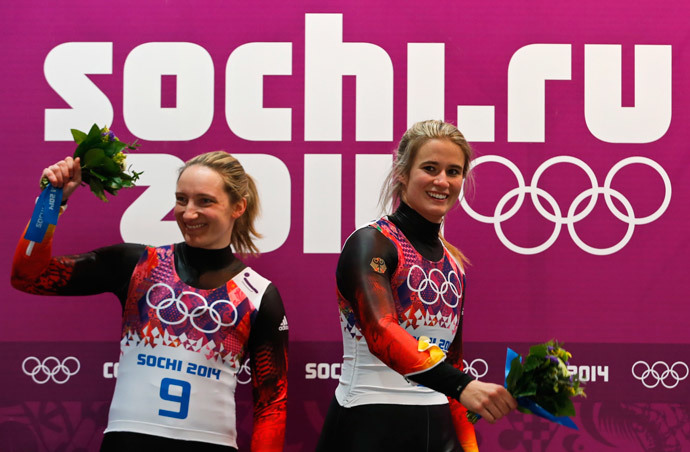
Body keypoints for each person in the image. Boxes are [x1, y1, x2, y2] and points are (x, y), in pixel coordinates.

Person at [11, 151, 288, 452]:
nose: (189, 213)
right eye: (182, 199)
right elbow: (28, 276)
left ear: (238, 206)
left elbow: (271, 407)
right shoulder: (138, 265)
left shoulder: (258, 294)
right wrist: (51, 202)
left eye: (204, 201)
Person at [316, 120, 517, 452]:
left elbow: (452, 363)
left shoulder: (454, 265)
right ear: (402, 173)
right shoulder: (373, 244)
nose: (442, 181)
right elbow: (381, 332)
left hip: (437, 428)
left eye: (454, 171)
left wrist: (470, 447)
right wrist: (463, 386)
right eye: (430, 168)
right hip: (367, 425)